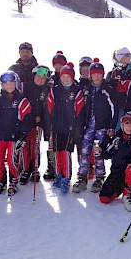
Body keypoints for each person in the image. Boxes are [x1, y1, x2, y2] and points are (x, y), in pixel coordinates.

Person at [73, 58, 118, 194]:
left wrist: (111, 127)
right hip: (88, 126)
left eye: (99, 74)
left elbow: (114, 109)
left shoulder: (107, 90)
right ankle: (82, 177)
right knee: (85, 151)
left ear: (103, 75)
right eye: (94, 73)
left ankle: (99, 177)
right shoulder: (86, 89)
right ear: (90, 75)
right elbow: (80, 109)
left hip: (101, 126)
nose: (97, 76)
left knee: (98, 152)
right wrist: (80, 126)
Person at [43, 62, 85, 193]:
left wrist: (78, 128)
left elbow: (80, 111)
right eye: (63, 76)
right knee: (56, 152)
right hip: (56, 127)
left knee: (65, 153)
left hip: (69, 128)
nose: (65, 79)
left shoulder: (76, 91)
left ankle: (66, 178)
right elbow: (48, 109)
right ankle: (58, 175)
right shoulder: (54, 90)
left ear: (72, 77)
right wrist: (47, 127)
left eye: (68, 77)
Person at [97, 111, 131, 211]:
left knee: (130, 169)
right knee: (104, 198)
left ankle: (129, 192)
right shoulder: (117, 138)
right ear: (122, 125)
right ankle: (121, 187)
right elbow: (109, 153)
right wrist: (101, 149)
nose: (129, 127)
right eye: (126, 124)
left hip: (130, 172)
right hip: (117, 172)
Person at [0, 71, 32, 196]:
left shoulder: (22, 100)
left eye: (11, 83)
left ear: (17, 83)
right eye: (6, 83)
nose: (8, 85)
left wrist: (23, 134)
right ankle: (0, 181)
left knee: (12, 161)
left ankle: (13, 181)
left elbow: (27, 119)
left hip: (14, 137)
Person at [19, 65, 51, 184]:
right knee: (25, 147)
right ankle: (25, 169)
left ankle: (35, 169)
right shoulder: (25, 86)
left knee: (35, 147)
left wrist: (41, 119)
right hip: (25, 122)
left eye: (43, 78)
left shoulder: (46, 89)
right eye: (38, 76)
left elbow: (47, 108)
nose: (40, 79)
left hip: (37, 124)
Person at [43, 51, 68, 180]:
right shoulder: (50, 79)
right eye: (56, 64)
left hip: (65, 116)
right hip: (52, 115)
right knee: (52, 143)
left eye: (61, 64)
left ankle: (63, 168)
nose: (58, 66)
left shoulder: (68, 77)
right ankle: (51, 168)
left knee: (64, 145)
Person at [106, 47, 131, 129]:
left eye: (130, 55)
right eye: (127, 55)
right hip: (117, 106)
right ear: (120, 57)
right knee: (118, 129)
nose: (129, 57)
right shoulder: (113, 73)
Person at [76, 56, 96, 180]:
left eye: (87, 70)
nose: (85, 73)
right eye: (82, 70)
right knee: (80, 145)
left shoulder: (94, 85)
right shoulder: (77, 84)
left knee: (92, 144)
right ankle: (83, 167)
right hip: (79, 119)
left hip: (92, 119)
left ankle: (92, 166)